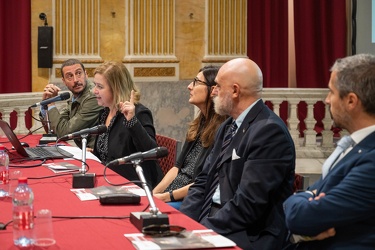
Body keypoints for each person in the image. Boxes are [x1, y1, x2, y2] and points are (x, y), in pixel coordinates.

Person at [179, 58, 296, 250]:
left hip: (247, 233)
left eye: (217, 85)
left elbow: (248, 205)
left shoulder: (269, 132)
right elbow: (202, 182)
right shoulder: (227, 126)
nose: (213, 91)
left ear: (235, 91)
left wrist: (199, 232)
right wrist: (184, 224)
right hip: (213, 218)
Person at [283, 54, 375, 249]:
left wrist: (307, 199)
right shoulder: (354, 147)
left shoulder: (371, 159)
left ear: (351, 101)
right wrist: (308, 197)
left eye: (331, 92)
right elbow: (306, 198)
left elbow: (302, 217)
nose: (326, 100)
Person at [152, 66, 227, 209]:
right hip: (172, 193)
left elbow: (204, 182)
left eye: (196, 82)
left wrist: (165, 197)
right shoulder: (198, 124)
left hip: (191, 199)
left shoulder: (222, 130)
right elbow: (176, 168)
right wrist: (153, 194)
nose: (189, 86)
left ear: (212, 90)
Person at [91, 61, 163, 189]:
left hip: (135, 184)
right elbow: (105, 155)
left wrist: (132, 122)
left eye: (100, 87)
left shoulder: (139, 113)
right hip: (109, 181)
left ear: (116, 89)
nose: (94, 91)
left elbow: (151, 152)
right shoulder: (104, 113)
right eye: (94, 85)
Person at [39, 58, 103, 148]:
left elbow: (64, 132)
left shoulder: (94, 96)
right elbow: (55, 130)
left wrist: (51, 103)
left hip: (98, 155)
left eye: (79, 73)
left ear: (86, 74)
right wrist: (45, 104)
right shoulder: (74, 97)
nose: (76, 80)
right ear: (64, 81)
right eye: (70, 76)